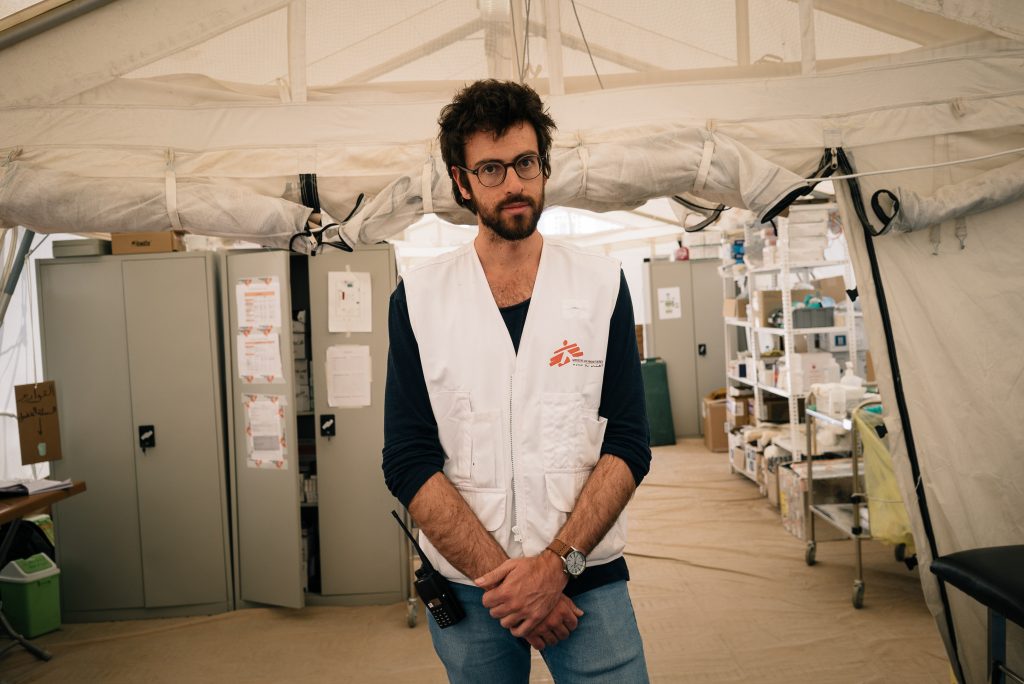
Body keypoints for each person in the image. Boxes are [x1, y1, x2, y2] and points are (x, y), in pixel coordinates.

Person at [382, 79, 652, 683]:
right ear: (462, 182)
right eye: (491, 169)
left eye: (526, 163)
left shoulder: (600, 285)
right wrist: (510, 585)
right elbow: (407, 459)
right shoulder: (419, 300)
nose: (513, 184)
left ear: (544, 166)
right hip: (472, 588)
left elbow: (628, 442)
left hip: (585, 577)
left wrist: (554, 569)